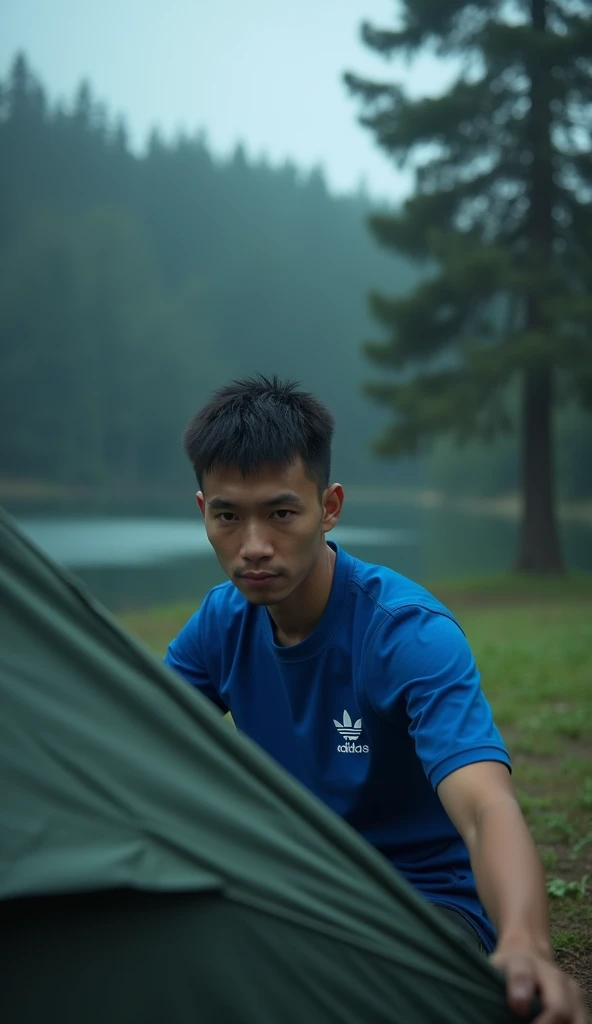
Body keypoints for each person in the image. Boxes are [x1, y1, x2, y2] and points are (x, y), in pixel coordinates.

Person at [165, 375, 587, 1024]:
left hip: (420, 904)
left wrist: (527, 943)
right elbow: (142, 742)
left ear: (328, 506)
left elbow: (484, 808)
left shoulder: (406, 633)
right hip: (296, 894)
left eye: (280, 513)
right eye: (228, 516)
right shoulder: (219, 625)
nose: (252, 546)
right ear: (203, 513)